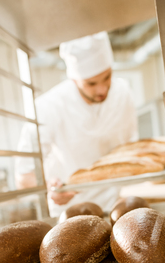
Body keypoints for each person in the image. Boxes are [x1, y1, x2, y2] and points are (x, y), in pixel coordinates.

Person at [15, 31, 138, 217]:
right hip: (70, 214)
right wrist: (50, 188)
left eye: (107, 77)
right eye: (91, 83)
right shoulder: (48, 107)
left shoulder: (123, 93)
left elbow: (130, 148)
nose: (102, 89)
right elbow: (24, 177)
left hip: (114, 208)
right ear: (73, 79)